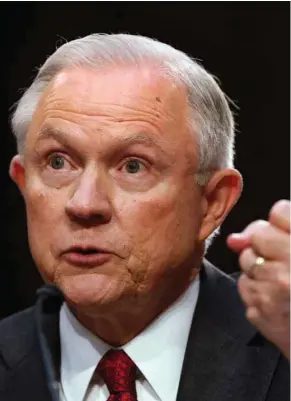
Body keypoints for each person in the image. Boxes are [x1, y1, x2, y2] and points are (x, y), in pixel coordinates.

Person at [0, 34, 289, 401]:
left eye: (133, 166)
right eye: (59, 162)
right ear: (24, 184)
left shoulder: (283, 347)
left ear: (213, 202)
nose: (84, 204)